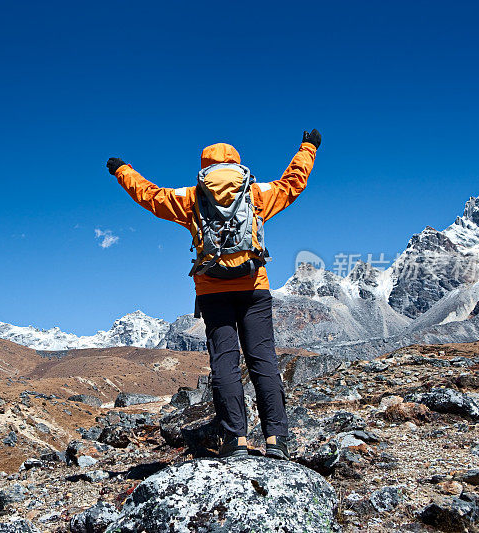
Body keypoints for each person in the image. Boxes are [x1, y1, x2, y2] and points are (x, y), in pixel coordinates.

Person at [105, 129, 320, 459]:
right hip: (253, 286)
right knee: (263, 359)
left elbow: (149, 196)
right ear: (237, 162)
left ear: (204, 165)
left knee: (225, 362)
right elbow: (292, 184)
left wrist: (122, 170)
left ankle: (236, 440)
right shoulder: (256, 193)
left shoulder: (191, 196)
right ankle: (277, 439)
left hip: (212, 289)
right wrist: (308, 147)